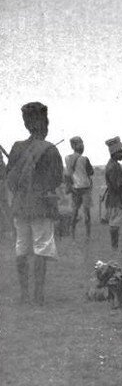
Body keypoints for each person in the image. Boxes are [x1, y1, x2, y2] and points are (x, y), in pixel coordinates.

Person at [6, 102, 63, 304]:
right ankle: (38, 297)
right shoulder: (49, 149)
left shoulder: (16, 147)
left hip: (20, 207)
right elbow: (57, 179)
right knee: (41, 247)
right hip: (42, 207)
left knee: (21, 247)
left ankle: (24, 296)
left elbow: (10, 180)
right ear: (44, 123)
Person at [64, 136, 94, 241]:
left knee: (74, 213)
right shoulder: (84, 159)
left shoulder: (67, 158)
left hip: (74, 189)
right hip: (85, 188)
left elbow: (67, 174)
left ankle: (73, 237)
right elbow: (91, 172)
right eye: (81, 143)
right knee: (87, 214)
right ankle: (88, 236)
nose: (82, 145)